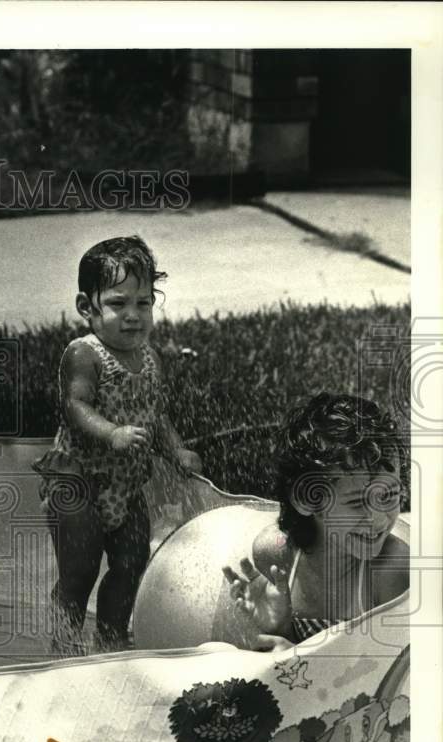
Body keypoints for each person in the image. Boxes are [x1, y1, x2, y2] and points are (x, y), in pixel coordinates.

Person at [33, 236, 201, 655]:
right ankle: (64, 642)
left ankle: (110, 636)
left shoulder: (149, 359)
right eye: (118, 303)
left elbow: (156, 415)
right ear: (86, 308)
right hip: (77, 483)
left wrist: (174, 449)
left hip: (125, 487)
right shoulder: (83, 354)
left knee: (131, 563)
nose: (133, 316)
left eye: (143, 303)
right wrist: (112, 432)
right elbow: (75, 405)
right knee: (80, 570)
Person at [222, 393, 409, 650]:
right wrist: (282, 629)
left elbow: (392, 677)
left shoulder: (391, 570)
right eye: (356, 503)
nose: (377, 519)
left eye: (388, 495)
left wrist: (300, 658)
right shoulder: (275, 555)